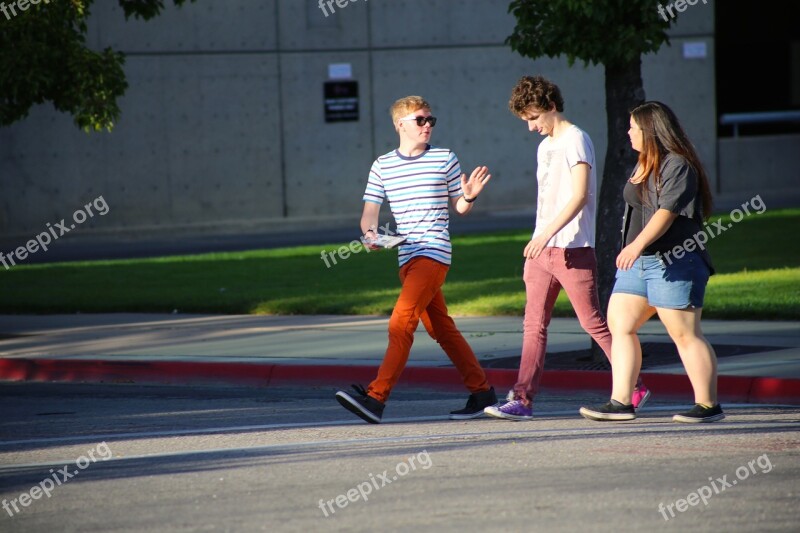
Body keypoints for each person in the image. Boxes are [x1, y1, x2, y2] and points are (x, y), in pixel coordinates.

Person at [485, 75, 650, 421]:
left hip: (572, 250)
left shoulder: (577, 139)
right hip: (541, 251)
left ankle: (634, 386)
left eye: (533, 118)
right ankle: (522, 400)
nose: (531, 127)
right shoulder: (544, 146)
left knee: (593, 323)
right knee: (533, 326)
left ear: (550, 106)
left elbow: (579, 196)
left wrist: (545, 235)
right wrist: (540, 238)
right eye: (526, 121)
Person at [335, 95, 498, 424]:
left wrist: (469, 195)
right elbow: (369, 216)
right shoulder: (382, 165)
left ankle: (376, 397)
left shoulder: (444, 158)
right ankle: (482, 393)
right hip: (406, 256)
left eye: (430, 120)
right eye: (420, 120)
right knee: (442, 329)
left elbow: (460, 207)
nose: (428, 126)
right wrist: (373, 237)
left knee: (401, 322)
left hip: (433, 252)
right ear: (400, 125)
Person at [580, 101, 724, 423]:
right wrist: (634, 250)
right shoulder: (643, 163)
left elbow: (666, 212)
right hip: (639, 263)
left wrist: (636, 245)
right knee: (621, 325)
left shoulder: (678, 165)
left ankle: (708, 405)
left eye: (633, 127)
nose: (628, 132)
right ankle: (621, 402)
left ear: (651, 130)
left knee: (685, 334)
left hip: (676, 260)